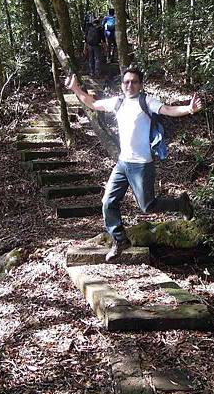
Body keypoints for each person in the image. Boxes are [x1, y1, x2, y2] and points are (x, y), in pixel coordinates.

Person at [65, 66, 203, 261]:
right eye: (126, 82)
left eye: (134, 82)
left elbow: (169, 110)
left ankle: (180, 204)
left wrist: (189, 109)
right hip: (123, 163)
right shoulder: (118, 102)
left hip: (142, 164)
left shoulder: (146, 101)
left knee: (147, 206)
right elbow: (93, 104)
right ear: (122, 85)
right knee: (108, 202)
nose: (130, 85)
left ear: (140, 84)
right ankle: (120, 239)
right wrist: (76, 89)